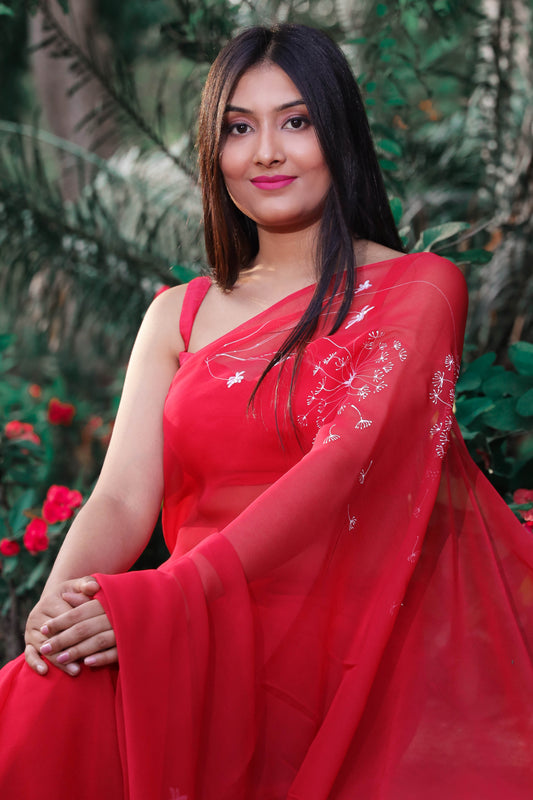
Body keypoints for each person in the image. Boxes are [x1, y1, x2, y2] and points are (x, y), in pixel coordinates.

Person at [0, 22, 532, 800]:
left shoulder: (419, 287)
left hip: (347, 643)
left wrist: (168, 597)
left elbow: (343, 464)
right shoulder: (174, 316)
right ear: (213, 153)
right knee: (37, 704)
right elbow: (119, 496)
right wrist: (55, 612)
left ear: (339, 133)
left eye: (296, 121)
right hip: (195, 630)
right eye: (238, 129)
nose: (267, 153)